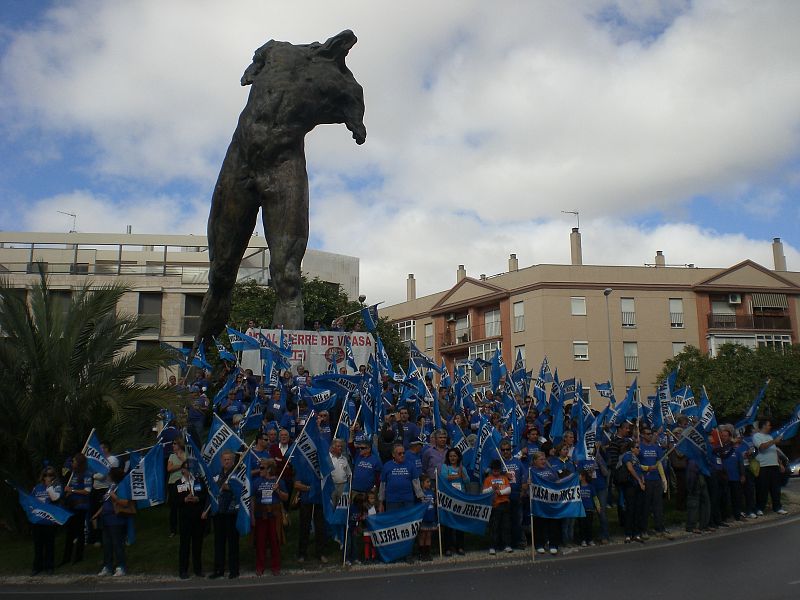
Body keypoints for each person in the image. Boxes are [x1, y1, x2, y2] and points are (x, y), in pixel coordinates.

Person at [251, 459, 288, 576]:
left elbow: (286, 497)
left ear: (269, 469)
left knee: (274, 541)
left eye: (262, 468)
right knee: (260, 542)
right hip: (261, 515)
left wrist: (277, 490)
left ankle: (276, 566)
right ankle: (259, 566)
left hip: (274, 515)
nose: (260, 470)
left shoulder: (279, 481)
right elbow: (252, 498)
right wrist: (252, 515)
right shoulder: (257, 482)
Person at [94, 467, 132, 576]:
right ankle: (107, 566)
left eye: (109, 475)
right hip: (106, 519)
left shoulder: (121, 487)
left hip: (116, 520)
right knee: (107, 545)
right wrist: (97, 514)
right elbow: (105, 502)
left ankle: (121, 567)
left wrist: (114, 496)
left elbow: (125, 503)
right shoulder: (110, 487)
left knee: (117, 544)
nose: (108, 476)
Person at [209, 450, 240, 579]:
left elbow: (241, 490)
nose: (227, 461)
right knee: (219, 542)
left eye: (229, 459)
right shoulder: (217, 475)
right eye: (225, 459)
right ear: (221, 461)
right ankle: (219, 569)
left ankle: (234, 570)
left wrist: (230, 487)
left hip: (232, 513)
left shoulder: (237, 474)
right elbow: (212, 490)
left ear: (233, 461)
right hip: (219, 513)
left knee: (233, 542)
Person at [176, 459, 208, 579]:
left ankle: (198, 569)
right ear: (182, 470)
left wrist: (197, 499)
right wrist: (184, 499)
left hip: (198, 517)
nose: (189, 471)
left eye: (191, 469)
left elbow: (205, 495)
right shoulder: (178, 483)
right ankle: (183, 570)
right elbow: (173, 501)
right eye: (187, 469)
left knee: (197, 544)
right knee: (184, 545)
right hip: (185, 518)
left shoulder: (199, 482)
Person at [31, 466, 62, 575]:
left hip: (49, 521)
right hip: (38, 521)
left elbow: (55, 498)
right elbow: (32, 502)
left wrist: (49, 487)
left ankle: (49, 567)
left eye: (50, 475)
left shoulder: (57, 487)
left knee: (49, 545)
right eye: (46, 475)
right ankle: (37, 567)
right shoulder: (37, 488)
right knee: (38, 545)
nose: (48, 477)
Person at [61, 454, 92, 565]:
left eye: (74, 461)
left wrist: (72, 490)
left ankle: (78, 557)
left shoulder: (87, 474)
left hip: (81, 506)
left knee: (79, 532)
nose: (72, 463)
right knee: (69, 532)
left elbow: (87, 491)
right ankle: (66, 558)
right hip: (71, 506)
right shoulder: (73, 473)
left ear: (79, 462)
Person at [753, 419, 786, 515]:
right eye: (768, 425)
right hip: (763, 466)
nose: (770, 427)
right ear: (763, 426)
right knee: (762, 488)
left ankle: (777, 507)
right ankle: (759, 508)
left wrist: (780, 464)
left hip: (774, 466)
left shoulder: (770, 436)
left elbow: (774, 451)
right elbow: (762, 447)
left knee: (776, 488)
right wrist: (774, 441)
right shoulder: (757, 436)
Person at [440, 447, 469, 556]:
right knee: (448, 525)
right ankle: (448, 548)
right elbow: (444, 478)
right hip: (448, 499)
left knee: (459, 525)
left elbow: (467, 481)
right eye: (450, 456)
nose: (452, 458)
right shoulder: (445, 467)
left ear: (458, 457)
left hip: (460, 499)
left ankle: (460, 547)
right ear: (448, 457)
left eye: (454, 456)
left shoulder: (462, 468)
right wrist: (458, 475)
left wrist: (463, 475)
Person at [379, 444, 424, 512]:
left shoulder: (410, 465)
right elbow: (382, 485)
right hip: (392, 501)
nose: (402, 455)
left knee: (408, 521)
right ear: (393, 455)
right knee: (393, 521)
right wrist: (380, 503)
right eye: (399, 453)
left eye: (403, 453)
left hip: (408, 500)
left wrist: (421, 498)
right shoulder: (387, 466)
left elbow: (416, 483)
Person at [483, 458, 512, 555]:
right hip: (494, 506)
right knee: (494, 527)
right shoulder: (488, 479)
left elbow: (509, 489)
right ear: (491, 469)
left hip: (505, 504)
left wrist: (500, 492)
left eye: (498, 469)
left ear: (500, 469)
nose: (496, 471)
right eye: (494, 470)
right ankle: (493, 546)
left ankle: (507, 545)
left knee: (506, 526)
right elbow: (483, 492)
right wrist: (492, 488)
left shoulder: (504, 478)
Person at [619, 441, 646, 543]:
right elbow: (630, 468)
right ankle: (628, 534)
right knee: (630, 510)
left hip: (638, 486)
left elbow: (639, 470)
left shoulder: (637, 459)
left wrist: (642, 480)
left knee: (637, 510)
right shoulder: (627, 456)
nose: (639, 449)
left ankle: (636, 533)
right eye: (637, 447)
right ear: (632, 448)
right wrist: (639, 480)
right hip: (630, 485)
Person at [166, 438, 187, 538]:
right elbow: (169, 468)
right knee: (173, 507)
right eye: (172, 443)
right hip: (173, 483)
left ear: (179, 444)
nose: (173, 445)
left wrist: (182, 461)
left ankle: (184, 527)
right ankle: (173, 530)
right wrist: (181, 465)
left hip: (184, 483)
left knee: (183, 505)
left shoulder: (186, 454)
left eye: (174, 443)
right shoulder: (171, 456)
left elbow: (188, 465)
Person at [418, 475, 436, 561]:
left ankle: (428, 553)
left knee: (429, 535)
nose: (429, 483)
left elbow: (435, 502)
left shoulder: (432, 492)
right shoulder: (420, 493)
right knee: (422, 535)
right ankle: (421, 553)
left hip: (431, 517)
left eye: (430, 482)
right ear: (422, 483)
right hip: (423, 518)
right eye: (427, 482)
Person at [578, 470, 597, 546]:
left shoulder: (590, 486)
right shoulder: (578, 486)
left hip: (589, 509)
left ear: (583, 477)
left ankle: (590, 539)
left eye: (580, 475)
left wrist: (598, 506)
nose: (578, 477)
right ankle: (583, 540)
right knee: (582, 526)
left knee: (589, 525)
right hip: (581, 510)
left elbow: (595, 497)